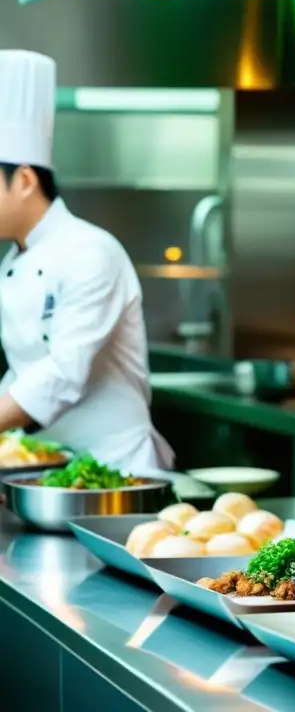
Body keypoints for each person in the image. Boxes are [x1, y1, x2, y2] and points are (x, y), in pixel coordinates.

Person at [0, 50, 174, 474]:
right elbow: (24, 376)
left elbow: (63, 373)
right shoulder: (14, 260)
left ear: (24, 180)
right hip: (45, 471)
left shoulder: (90, 252)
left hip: (119, 476)